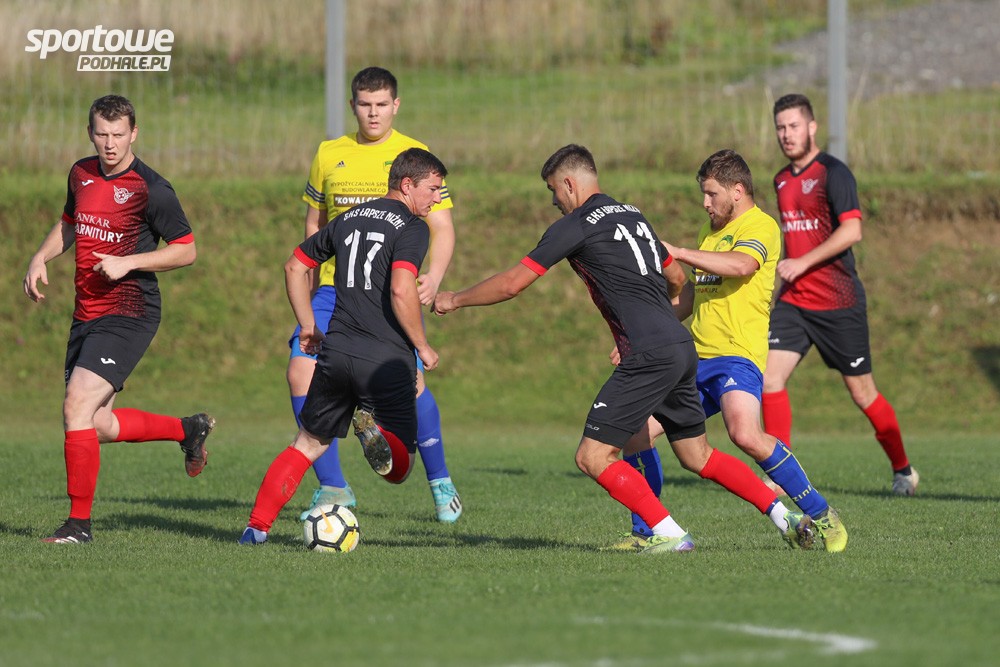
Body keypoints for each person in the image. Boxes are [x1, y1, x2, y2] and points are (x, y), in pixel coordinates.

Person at [434, 144, 815, 554]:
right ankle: (785, 517)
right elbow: (676, 278)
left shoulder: (575, 225)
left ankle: (666, 532)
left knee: (592, 456)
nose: (554, 201)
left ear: (569, 184)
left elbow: (513, 283)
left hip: (649, 354)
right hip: (680, 347)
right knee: (697, 455)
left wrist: (455, 299)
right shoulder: (635, 216)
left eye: (553, 191)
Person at [614, 149, 848, 552]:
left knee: (745, 433)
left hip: (737, 356)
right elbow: (692, 296)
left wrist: (678, 253)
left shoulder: (762, 226)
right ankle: (647, 531)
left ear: (737, 191)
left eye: (712, 194)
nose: (705, 203)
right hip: (694, 360)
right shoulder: (709, 233)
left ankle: (822, 513)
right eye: (703, 194)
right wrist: (640, 336)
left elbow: (742, 266)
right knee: (636, 431)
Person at [22, 94, 215, 545]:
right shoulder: (80, 173)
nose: (110, 144)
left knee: (76, 405)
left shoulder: (152, 188)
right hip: (86, 312)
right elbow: (70, 223)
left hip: (130, 311)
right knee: (97, 423)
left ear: (134, 134)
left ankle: (78, 526)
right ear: (90, 133)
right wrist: (40, 257)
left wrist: (129, 262)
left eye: (118, 135)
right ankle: (187, 429)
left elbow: (186, 250)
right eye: (102, 134)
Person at [240, 148, 445, 545]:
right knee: (400, 468)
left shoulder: (348, 218)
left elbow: (294, 266)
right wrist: (422, 345)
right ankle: (375, 432)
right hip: (386, 361)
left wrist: (308, 326)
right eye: (433, 189)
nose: (437, 198)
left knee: (306, 445)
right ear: (407, 185)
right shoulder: (413, 227)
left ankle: (255, 530)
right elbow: (402, 288)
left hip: (336, 353)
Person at [288, 66, 461, 522]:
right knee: (300, 373)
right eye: (365, 104)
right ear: (352, 106)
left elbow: (442, 226)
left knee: (412, 382)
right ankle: (333, 488)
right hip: (334, 288)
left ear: (395, 106)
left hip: (388, 293)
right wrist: (310, 284)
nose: (373, 113)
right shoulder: (329, 153)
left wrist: (435, 276)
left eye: (382, 104)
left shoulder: (415, 155)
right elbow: (315, 224)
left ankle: (440, 481)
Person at [763, 93, 918, 496]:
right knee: (769, 379)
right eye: (781, 127)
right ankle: (781, 473)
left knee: (862, 393)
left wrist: (801, 263)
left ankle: (903, 470)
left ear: (812, 127)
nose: (787, 134)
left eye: (794, 126)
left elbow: (852, 230)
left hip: (838, 302)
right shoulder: (781, 180)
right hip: (794, 301)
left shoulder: (834, 173)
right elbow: (795, 237)